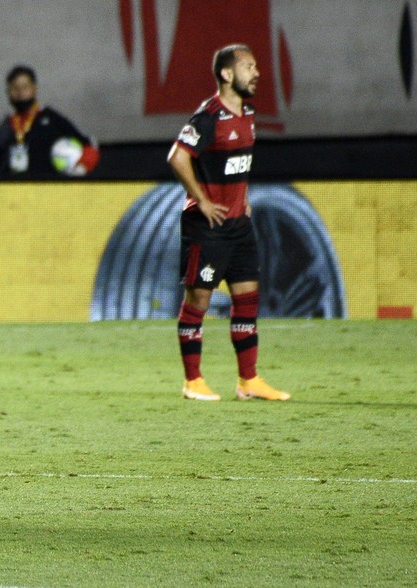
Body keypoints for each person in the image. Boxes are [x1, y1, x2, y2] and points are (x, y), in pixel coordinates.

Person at [166, 44, 290, 402]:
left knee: (247, 299)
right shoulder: (208, 117)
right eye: (249, 67)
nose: (257, 73)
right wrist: (201, 200)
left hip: (238, 226)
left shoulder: (247, 114)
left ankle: (248, 380)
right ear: (227, 74)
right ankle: (193, 381)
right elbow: (177, 158)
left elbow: (237, 165)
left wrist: (244, 199)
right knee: (198, 302)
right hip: (207, 227)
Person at [0, 65, 100, 178]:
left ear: (35, 88)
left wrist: (81, 169)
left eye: (25, 87)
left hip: (48, 189)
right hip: (14, 191)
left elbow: (89, 145)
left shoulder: (52, 119)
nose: (20, 92)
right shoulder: (4, 127)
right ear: (8, 92)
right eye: (15, 88)